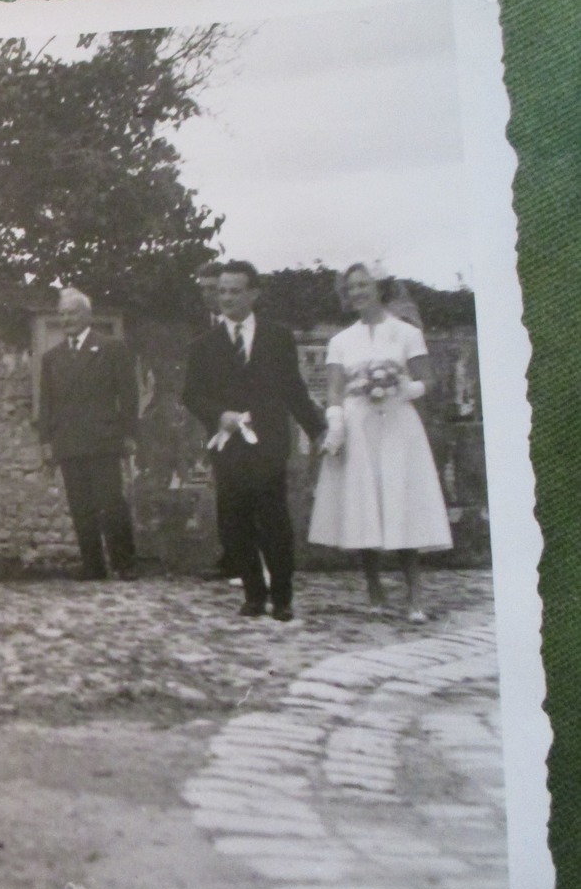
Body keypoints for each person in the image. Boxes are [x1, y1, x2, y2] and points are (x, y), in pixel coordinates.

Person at [182, 260, 326, 621]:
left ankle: (282, 597)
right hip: (228, 443)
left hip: (269, 443)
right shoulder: (204, 345)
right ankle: (252, 594)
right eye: (222, 291)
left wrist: (317, 428)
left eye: (234, 291)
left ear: (253, 294)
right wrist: (220, 415)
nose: (226, 297)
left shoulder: (276, 338)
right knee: (234, 520)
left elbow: (294, 388)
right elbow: (192, 395)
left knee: (273, 519)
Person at [309, 262, 452, 622]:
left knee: (400, 500)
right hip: (359, 426)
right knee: (364, 503)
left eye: (363, 285)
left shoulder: (405, 333)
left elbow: (427, 380)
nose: (356, 292)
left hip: (398, 425)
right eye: (350, 287)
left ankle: (415, 593)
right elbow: (335, 389)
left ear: (379, 288)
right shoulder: (341, 341)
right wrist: (336, 423)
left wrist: (403, 388)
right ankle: (374, 587)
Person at [36, 287, 139, 581]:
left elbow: (129, 396)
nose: (66, 319)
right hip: (68, 441)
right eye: (62, 314)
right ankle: (93, 566)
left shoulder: (110, 348)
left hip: (103, 440)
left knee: (111, 503)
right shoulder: (52, 358)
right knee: (80, 507)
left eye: (72, 313)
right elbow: (47, 404)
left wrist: (129, 434)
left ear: (87, 315)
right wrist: (46, 441)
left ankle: (125, 563)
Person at [195, 260, 237, 582]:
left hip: (248, 421)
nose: (210, 295)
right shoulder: (203, 327)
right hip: (217, 421)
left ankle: (254, 556)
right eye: (205, 289)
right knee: (225, 489)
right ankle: (231, 557)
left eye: (215, 289)